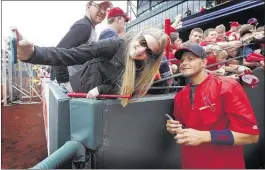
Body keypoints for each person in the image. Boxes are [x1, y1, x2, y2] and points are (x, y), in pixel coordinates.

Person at [13, 27, 168, 107]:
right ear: (138, 36)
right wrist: (33, 54)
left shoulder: (143, 66)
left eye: (149, 51)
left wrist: (102, 88)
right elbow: (71, 54)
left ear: (152, 57)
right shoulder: (113, 45)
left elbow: (127, 89)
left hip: (100, 102)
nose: (142, 50)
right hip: (78, 92)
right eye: (143, 43)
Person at [166, 43, 259, 168]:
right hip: (191, 164)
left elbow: (251, 136)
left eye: (191, 59)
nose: (184, 63)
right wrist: (174, 126)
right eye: (182, 60)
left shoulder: (227, 86)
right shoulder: (180, 96)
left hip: (224, 164)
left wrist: (206, 136)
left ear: (204, 62)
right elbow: (184, 126)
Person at [52, 0, 113, 91]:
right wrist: (66, 83)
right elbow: (58, 52)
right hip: (69, 87)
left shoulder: (89, 27)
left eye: (105, 9)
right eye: (99, 6)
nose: (103, 11)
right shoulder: (84, 26)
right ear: (88, 6)